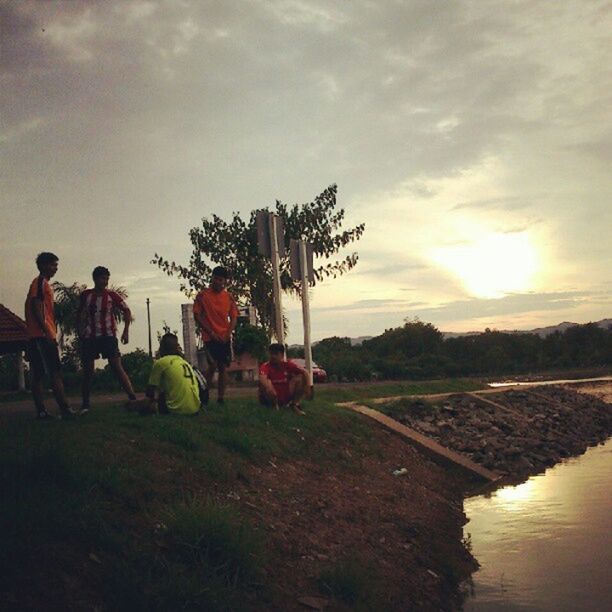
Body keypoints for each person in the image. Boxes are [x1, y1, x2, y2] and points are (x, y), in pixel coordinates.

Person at [77, 266, 137, 413]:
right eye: (103, 278)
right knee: (88, 371)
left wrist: (126, 331)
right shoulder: (86, 295)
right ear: (95, 279)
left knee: (117, 366)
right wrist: (81, 331)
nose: (105, 282)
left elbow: (126, 310)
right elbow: (80, 313)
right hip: (90, 337)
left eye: (107, 279)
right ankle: (85, 404)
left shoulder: (111, 296)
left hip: (108, 336)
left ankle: (133, 397)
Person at [24, 252, 76, 420]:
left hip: (41, 334)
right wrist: (46, 331)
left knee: (40, 373)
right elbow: (36, 306)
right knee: (53, 372)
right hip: (41, 335)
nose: (56, 268)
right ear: (44, 266)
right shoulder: (39, 283)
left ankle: (43, 411)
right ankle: (64, 409)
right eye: (53, 265)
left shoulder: (44, 284)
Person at [193, 266, 238, 404]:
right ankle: (202, 393)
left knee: (223, 367)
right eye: (216, 278)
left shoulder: (229, 297)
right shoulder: (202, 295)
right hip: (209, 337)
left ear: (225, 281)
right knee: (212, 365)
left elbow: (234, 317)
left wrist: (227, 334)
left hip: (223, 337)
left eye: (221, 280)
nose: (218, 282)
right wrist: (210, 332)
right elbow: (197, 315)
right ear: (212, 278)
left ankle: (220, 398)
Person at [131, 333, 201, 415]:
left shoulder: (161, 362)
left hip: (175, 410)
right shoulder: (184, 362)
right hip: (195, 409)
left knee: (144, 405)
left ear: (162, 347)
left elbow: (150, 393)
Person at [259, 343, 308, 415]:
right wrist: (268, 387)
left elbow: (305, 372)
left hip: (286, 392)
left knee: (301, 377)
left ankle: (294, 404)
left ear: (281, 355)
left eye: (276, 354)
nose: (273, 356)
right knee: (266, 383)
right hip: (271, 395)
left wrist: (309, 387)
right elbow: (262, 377)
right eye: (271, 354)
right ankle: (274, 406)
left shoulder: (287, 364)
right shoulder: (265, 366)